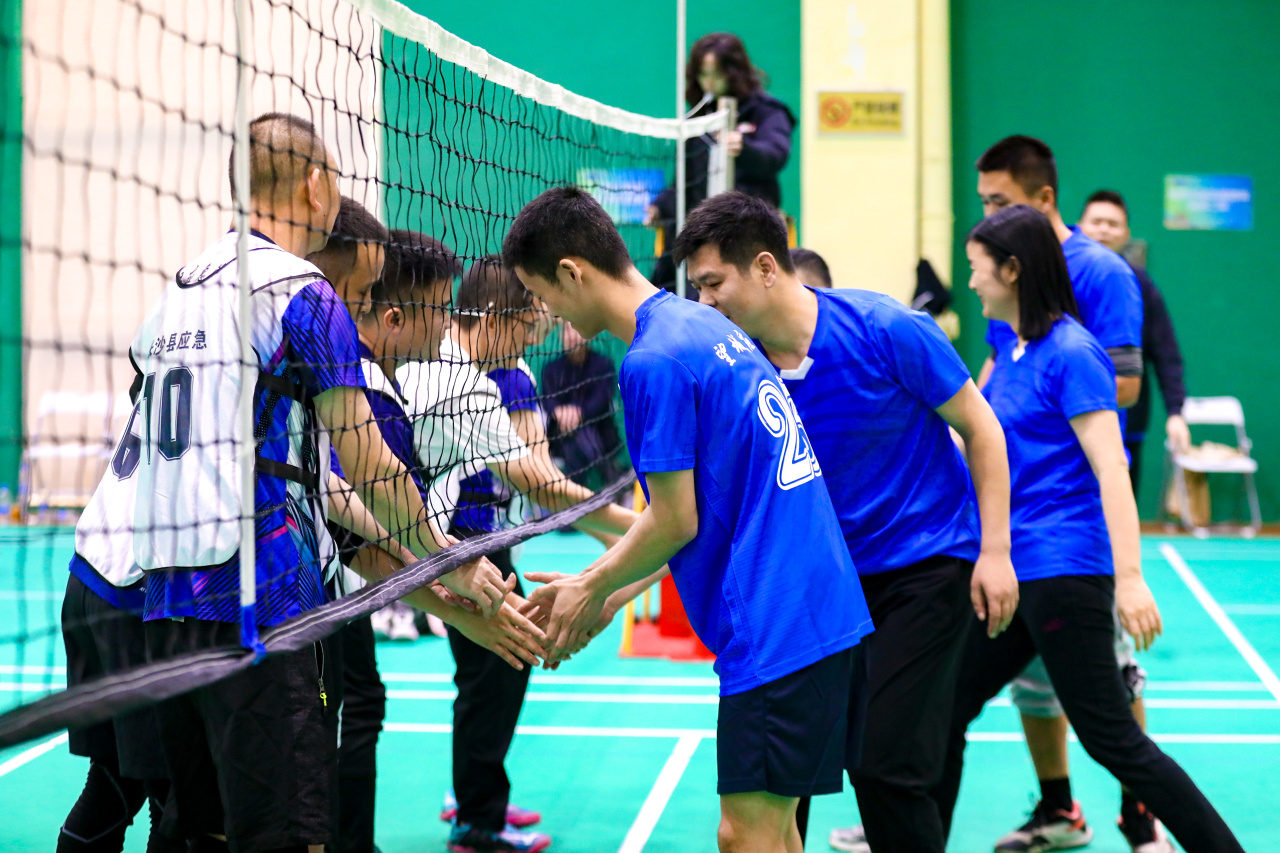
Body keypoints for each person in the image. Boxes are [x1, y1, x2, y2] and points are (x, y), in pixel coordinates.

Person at [132, 112, 510, 852]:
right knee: (290, 835)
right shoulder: (304, 296)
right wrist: (446, 554)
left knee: (199, 832)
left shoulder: (179, 288)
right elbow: (367, 463)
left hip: (166, 599)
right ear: (315, 185)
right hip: (265, 605)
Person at [504, 186, 874, 853]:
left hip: (776, 621)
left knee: (746, 835)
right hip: (820, 607)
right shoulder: (703, 325)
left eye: (541, 294)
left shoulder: (652, 360)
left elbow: (675, 521)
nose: (548, 312)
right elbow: (712, 514)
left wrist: (590, 587)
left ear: (571, 272)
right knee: (776, 831)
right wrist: (606, 595)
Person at [675, 192, 1017, 853]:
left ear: (765, 267)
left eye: (713, 283)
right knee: (789, 780)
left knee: (884, 765)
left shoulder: (887, 328)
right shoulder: (738, 370)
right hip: (821, 585)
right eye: (698, 288)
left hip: (923, 570)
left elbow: (982, 428)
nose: (705, 302)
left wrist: (996, 552)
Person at [933, 204, 1244, 853]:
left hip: (1066, 572)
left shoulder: (1073, 353)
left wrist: (1129, 579)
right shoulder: (1009, 346)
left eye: (978, 268)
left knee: (1112, 739)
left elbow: (1111, 469)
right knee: (943, 708)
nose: (971, 281)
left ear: (1012, 270)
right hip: (1016, 569)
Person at [399, 255, 640, 853]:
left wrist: (617, 536)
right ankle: (477, 817)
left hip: (476, 542)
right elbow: (541, 484)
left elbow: (537, 469)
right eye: (528, 325)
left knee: (498, 669)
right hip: (446, 548)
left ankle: (476, 795)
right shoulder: (453, 382)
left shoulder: (492, 375)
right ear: (492, 317)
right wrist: (640, 530)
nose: (533, 340)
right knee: (494, 670)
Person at [974, 135, 1159, 852]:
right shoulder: (999, 282)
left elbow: (1125, 383)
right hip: (1017, 519)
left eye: (999, 202)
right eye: (984, 202)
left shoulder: (1100, 275)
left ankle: (1140, 817)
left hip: (1078, 516)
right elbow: (996, 373)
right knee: (1026, 679)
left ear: (1043, 199)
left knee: (1109, 682)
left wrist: (1050, 391)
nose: (988, 216)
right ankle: (1058, 807)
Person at [58, 395, 181, 853]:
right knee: (177, 798)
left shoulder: (159, 365)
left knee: (114, 781)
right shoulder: (234, 373)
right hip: (136, 597)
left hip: (87, 581)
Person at [648, 32, 797, 292]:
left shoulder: (767, 111)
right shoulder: (696, 120)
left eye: (716, 74)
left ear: (734, 72)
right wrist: (659, 207)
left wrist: (746, 149)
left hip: (747, 232)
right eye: (703, 74)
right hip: (698, 236)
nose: (709, 82)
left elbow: (775, 154)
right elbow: (682, 183)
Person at [1078, 189, 1190, 490]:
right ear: (1080, 226)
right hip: (1069, 419)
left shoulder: (1140, 284)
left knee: (1120, 502)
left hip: (1127, 424)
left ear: (1126, 234)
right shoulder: (1061, 277)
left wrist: (1176, 412)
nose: (1104, 229)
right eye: (1096, 221)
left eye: (1113, 224)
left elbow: (1166, 353)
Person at [540, 319, 626, 489]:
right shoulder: (551, 369)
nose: (571, 336)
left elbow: (602, 398)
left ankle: (576, 491)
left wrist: (580, 413)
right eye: (567, 331)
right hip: (562, 435)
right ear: (560, 336)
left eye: (574, 329)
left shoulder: (603, 364)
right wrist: (559, 413)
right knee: (576, 436)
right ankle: (611, 478)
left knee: (580, 434)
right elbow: (548, 401)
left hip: (600, 433)